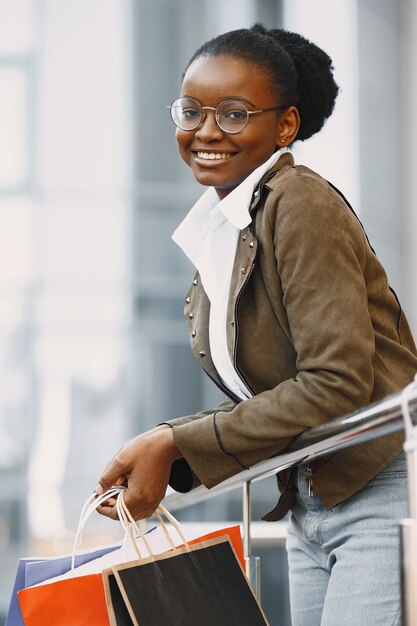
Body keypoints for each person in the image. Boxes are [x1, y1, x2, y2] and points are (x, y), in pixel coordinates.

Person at [95, 24, 417, 625]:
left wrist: (174, 441)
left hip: (382, 486)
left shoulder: (299, 201)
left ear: (285, 125)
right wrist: (167, 449)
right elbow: (277, 396)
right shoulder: (224, 229)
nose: (206, 131)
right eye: (192, 110)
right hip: (312, 498)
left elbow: (335, 382)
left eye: (235, 113)